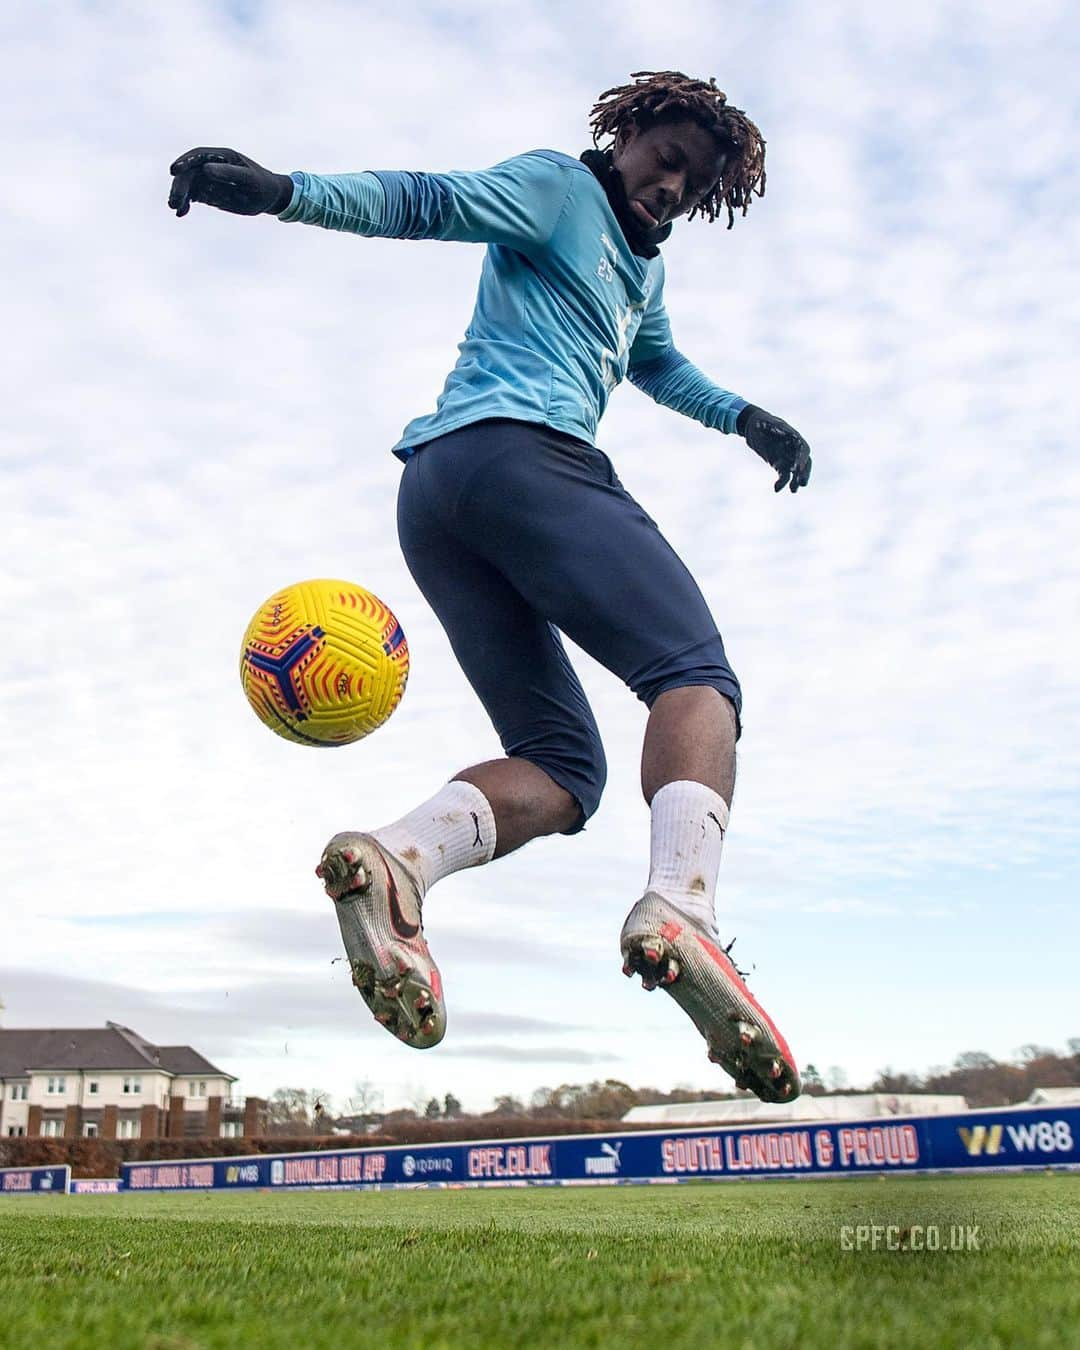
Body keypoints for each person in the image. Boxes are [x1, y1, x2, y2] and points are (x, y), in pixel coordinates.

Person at [169, 70, 811, 1103]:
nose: (673, 188)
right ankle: (680, 908)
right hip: (522, 460)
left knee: (565, 769)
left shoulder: (640, 274)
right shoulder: (558, 190)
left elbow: (656, 365)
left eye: (694, 186)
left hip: (440, 501)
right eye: (668, 160)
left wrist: (745, 418)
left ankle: (397, 864)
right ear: (630, 130)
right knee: (694, 676)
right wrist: (285, 190)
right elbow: (430, 200)